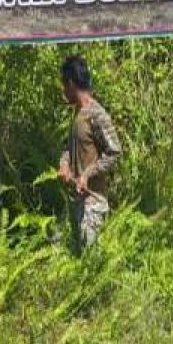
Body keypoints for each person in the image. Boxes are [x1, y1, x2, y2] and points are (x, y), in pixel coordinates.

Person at [56, 55, 122, 252]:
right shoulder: (78, 114)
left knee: (90, 265)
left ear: (71, 84)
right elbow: (69, 148)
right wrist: (64, 165)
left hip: (93, 204)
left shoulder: (96, 114)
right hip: (77, 203)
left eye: (64, 86)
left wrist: (87, 174)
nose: (63, 91)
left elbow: (114, 152)